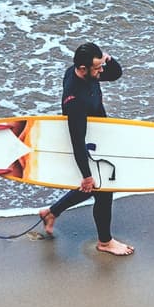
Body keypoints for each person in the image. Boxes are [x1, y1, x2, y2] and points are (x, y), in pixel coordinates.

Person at [38, 42, 134, 256]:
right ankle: (105, 242)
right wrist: (86, 175)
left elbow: (116, 74)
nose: (101, 71)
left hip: (99, 134)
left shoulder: (86, 73)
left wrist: (106, 59)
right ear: (83, 69)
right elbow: (77, 140)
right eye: (97, 68)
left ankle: (51, 213)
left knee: (98, 187)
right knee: (102, 189)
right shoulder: (75, 101)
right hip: (88, 141)